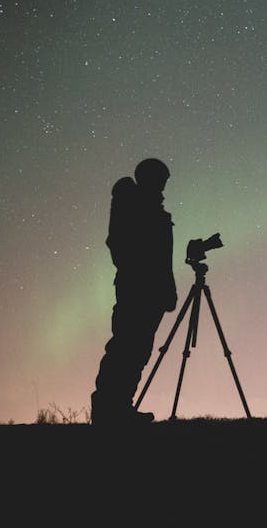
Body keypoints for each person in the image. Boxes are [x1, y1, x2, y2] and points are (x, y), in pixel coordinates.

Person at [91, 158, 179, 425]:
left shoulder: (150, 208)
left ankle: (120, 407)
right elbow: (120, 245)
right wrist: (144, 274)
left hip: (150, 290)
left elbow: (162, 257)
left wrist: (166, 287)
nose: (163, 187)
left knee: (138, 350)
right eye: (160, 181)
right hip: (137, 289)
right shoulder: (133, 204)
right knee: (126, 348)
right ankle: (109, 410)